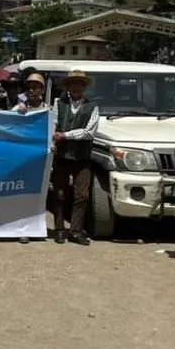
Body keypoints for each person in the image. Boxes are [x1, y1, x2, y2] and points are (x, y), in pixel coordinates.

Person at [50, 70, 99, 245]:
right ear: (68, 87)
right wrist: (53, 143)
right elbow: (53, 124)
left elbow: (89, 132)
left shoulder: (93, 107)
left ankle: (76, 231)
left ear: (84, 87)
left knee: (82, 196)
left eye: (79, 83)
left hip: (82, 158)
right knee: (59, 194)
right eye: (73, 83)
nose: (76, 87)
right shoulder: (58, 103)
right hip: (62, 157)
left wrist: (64, 135)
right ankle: (59, 229)